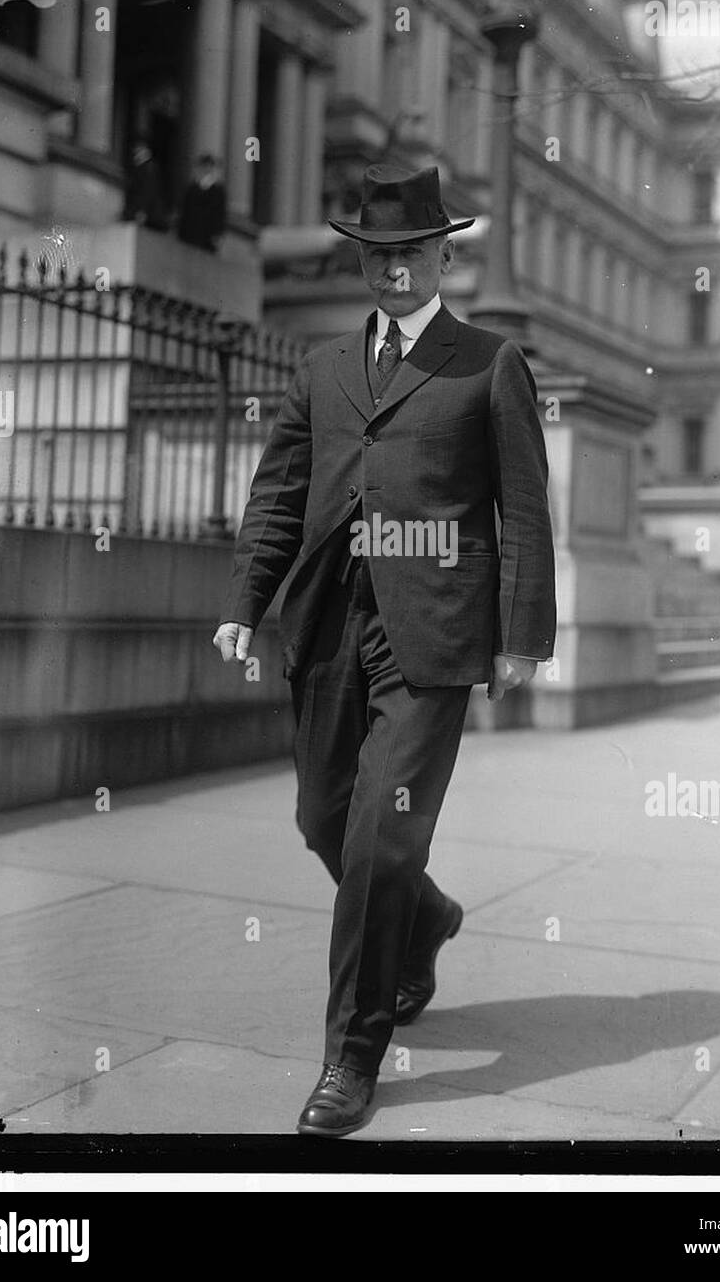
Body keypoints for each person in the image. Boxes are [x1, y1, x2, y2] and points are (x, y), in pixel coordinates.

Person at [213, 163, 556, 1137]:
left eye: (409, 252)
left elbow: (523, 506)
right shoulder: (321, 368)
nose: (393, 269)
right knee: (322, 817)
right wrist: (246, 598)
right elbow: (280, 494)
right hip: (326, 627)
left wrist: (522, 631)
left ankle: (350, 1059)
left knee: (376, 840)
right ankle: (427, 917)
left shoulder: (488, 363)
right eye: (376, 255)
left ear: (445, 253)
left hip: (432, 640)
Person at [177, 154, 227, 252]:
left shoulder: (218, 190)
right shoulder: (192, 187)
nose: (206, 169)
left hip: (207, 233)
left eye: (209, 166)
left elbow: (220, 213)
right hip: (190, 231)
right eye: (204, 166)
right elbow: (185, 210)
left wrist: (218, 233)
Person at [123, 139, 168, 232]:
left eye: (139, 151)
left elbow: (148, 191)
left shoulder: (148, 168)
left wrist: (142, 210)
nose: (136, 153)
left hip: (145, 213)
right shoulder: (141, 168)